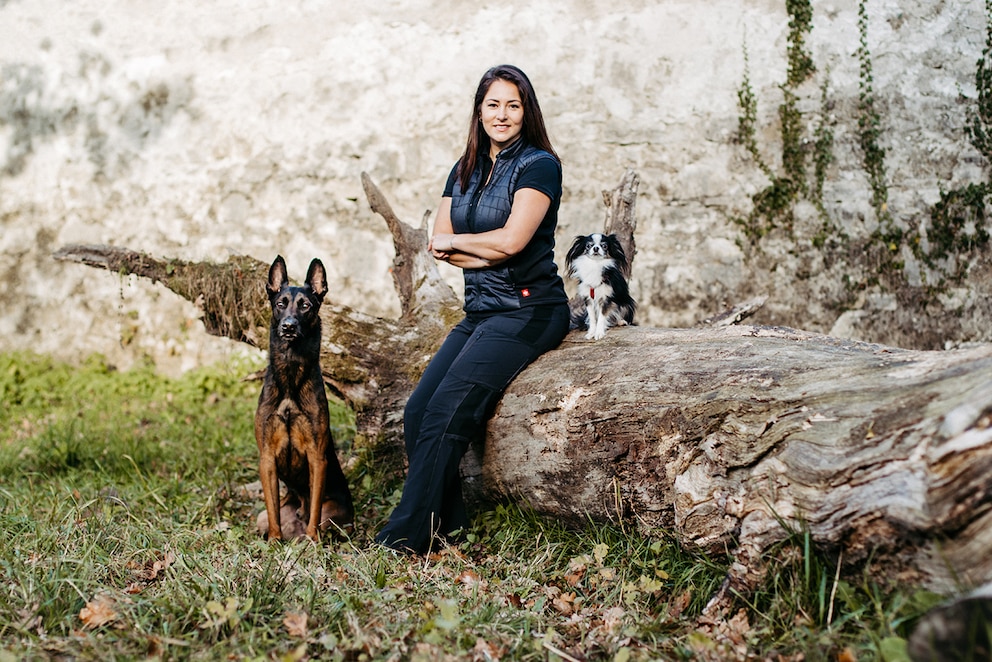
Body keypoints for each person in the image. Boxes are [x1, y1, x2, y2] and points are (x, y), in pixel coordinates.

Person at [375, 64, 570, 554]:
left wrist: (469, 244)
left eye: (513, 105)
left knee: (445, 411)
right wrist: (475, 246)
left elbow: (511, 242)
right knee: (419, 410)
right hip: (482, 310)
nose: (502, 115)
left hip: (529, 311)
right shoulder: (463, 169)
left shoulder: (539, 165)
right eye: (493, 104)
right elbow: (439, 248)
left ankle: (402, 537)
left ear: (526, 111)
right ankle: (448, 526)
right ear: (479, 111)